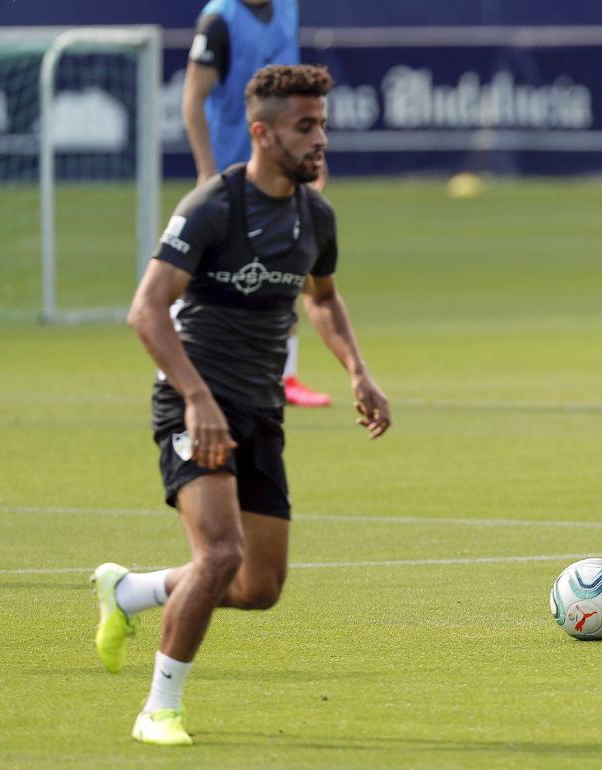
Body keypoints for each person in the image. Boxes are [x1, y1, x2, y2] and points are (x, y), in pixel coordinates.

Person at [91, 64, 391, 746]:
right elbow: (146, 310)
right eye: (305, 127)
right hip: (193, 404)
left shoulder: (316, 215)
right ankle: (158, 709)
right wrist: (196, 397)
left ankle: (131, 591)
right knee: (221, 553)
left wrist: (358, 372)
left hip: (259, 411)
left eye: (322, 125)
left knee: (260, 587)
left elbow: (322, 299)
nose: (320, 140)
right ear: (262, 133)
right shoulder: (213, 206)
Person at [182, 0, 332, 407]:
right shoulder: (219, 19)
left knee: (291, 261)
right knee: (207, 274)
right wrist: (206, 170)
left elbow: (300, 97)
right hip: (230, 167)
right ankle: (190, 366)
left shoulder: (287, 9)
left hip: (281, 164)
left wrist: (312, 155)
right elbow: (193, 98)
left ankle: (286, 375)